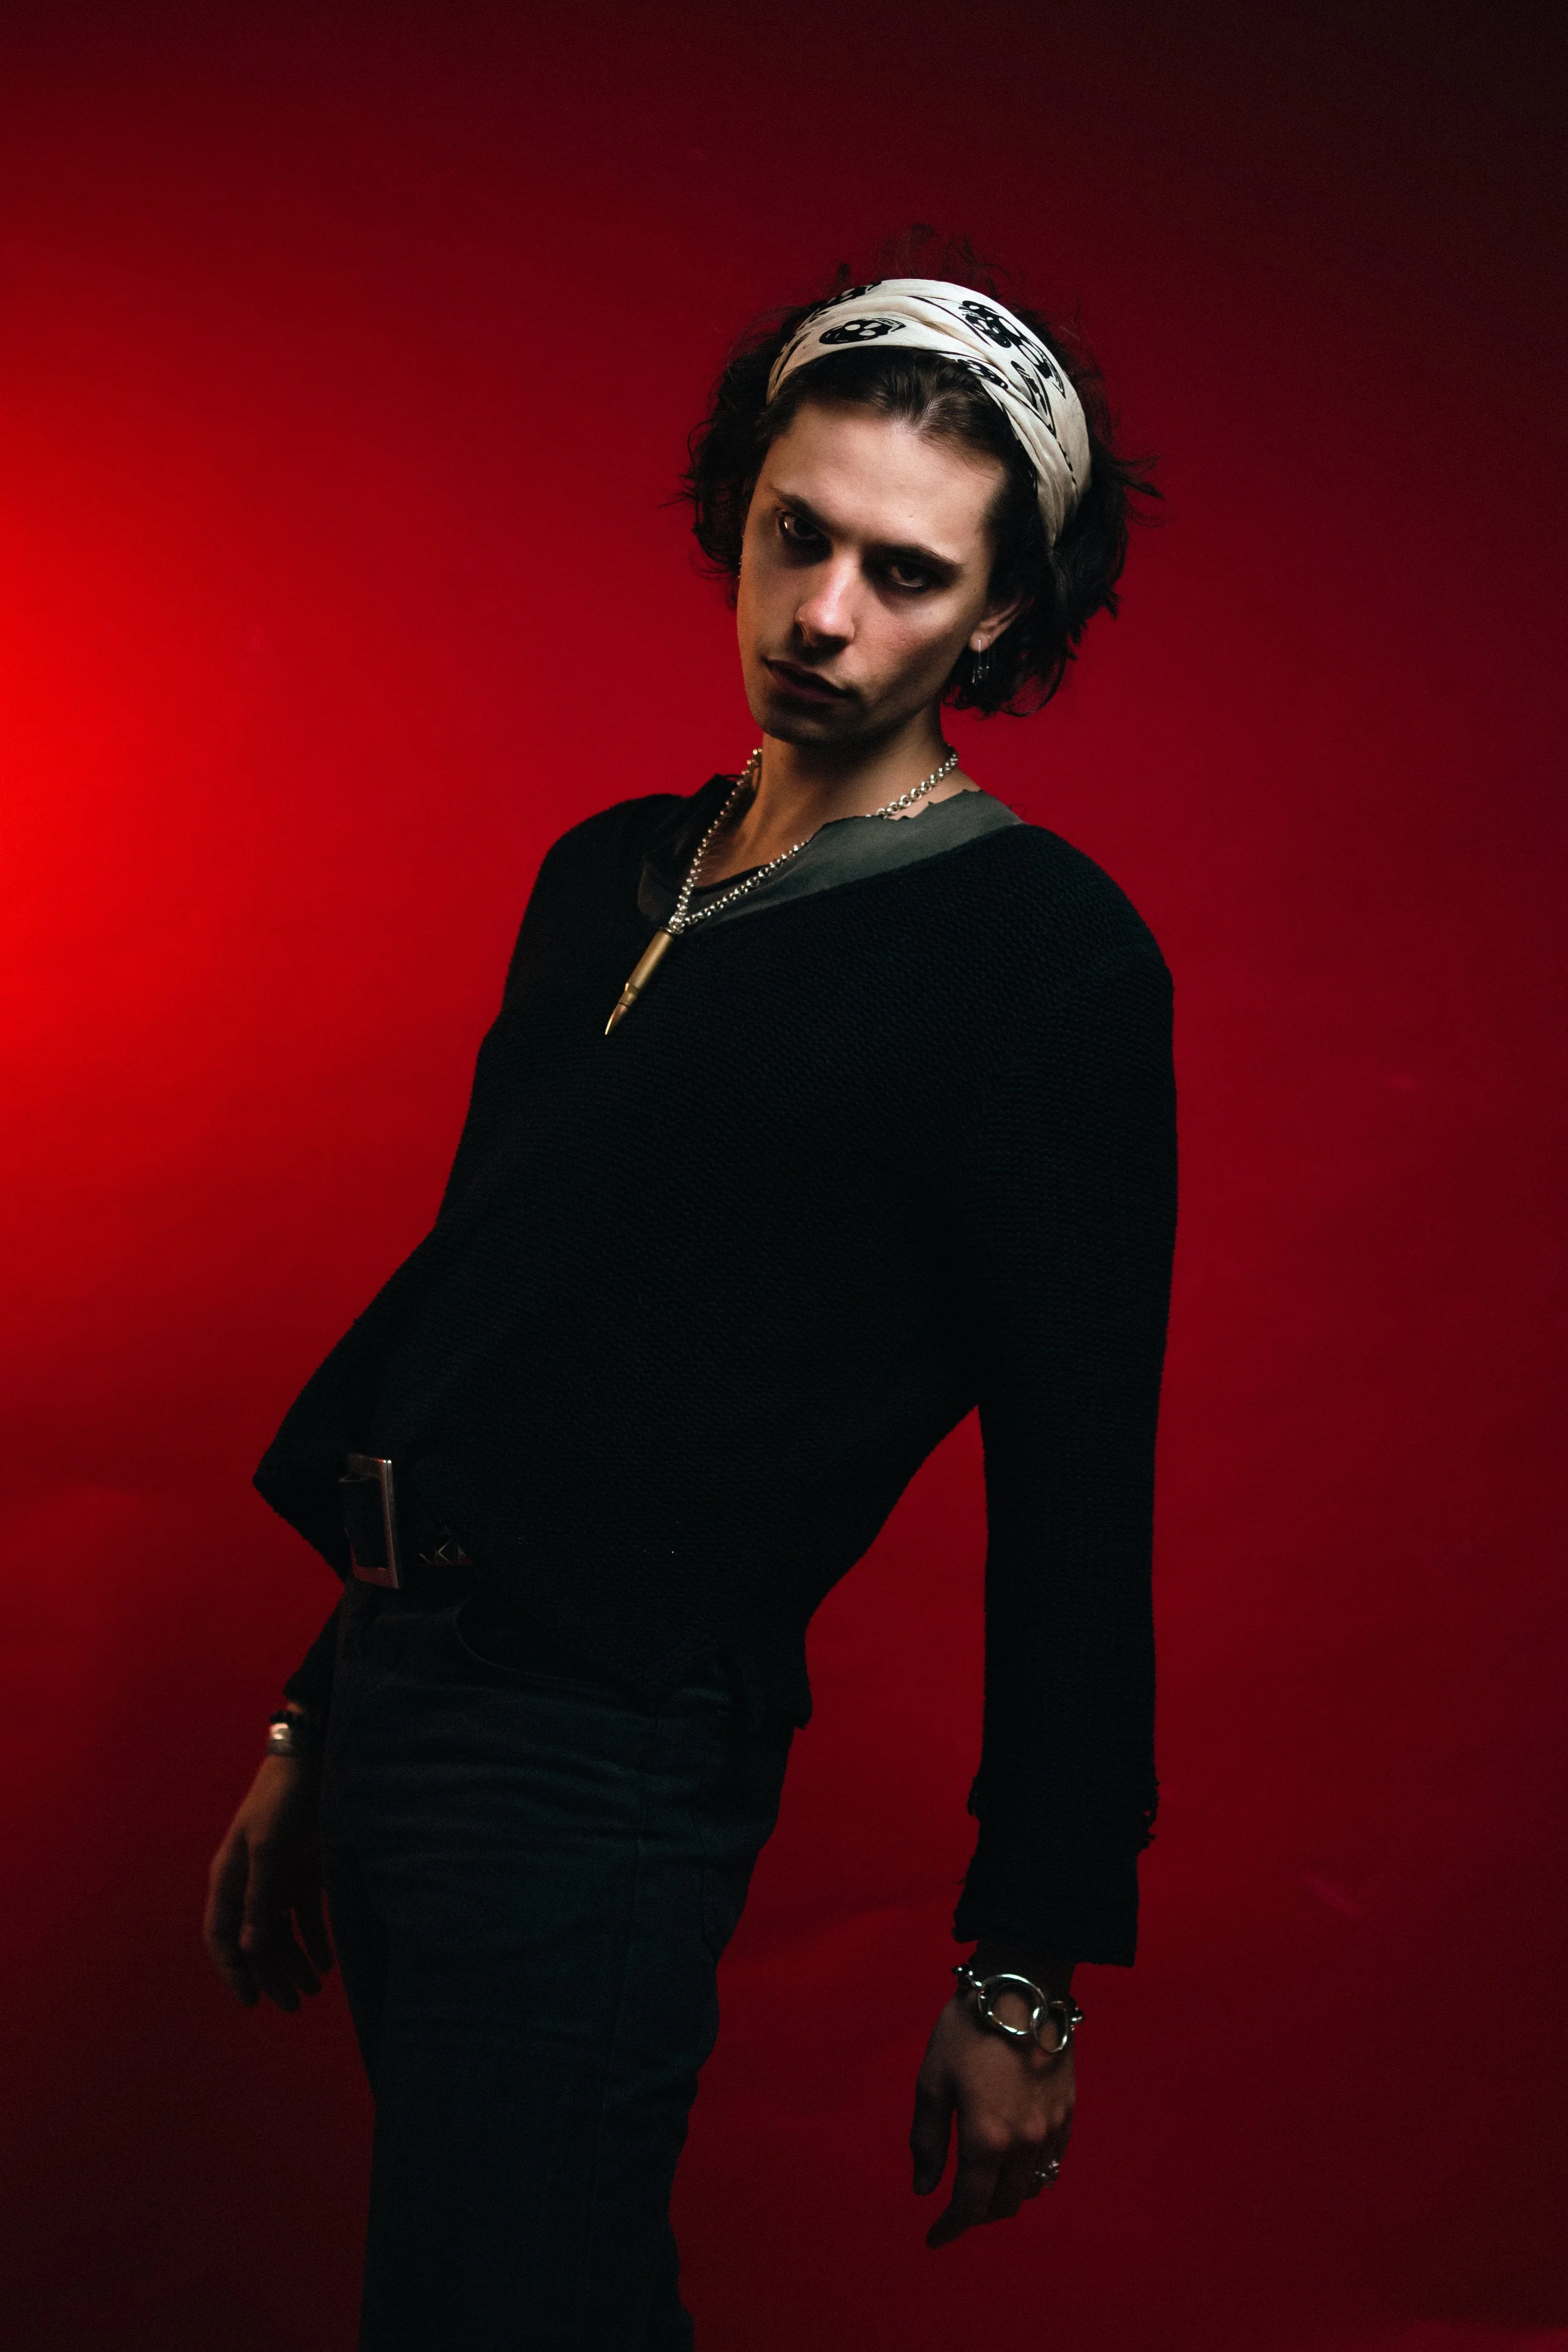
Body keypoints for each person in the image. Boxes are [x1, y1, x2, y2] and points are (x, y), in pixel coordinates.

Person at [204, 253, 1177, 2351]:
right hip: (402, 1704)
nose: (824, 614)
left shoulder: (1044, 963)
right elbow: (483, 1322)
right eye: (793, 535)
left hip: (604, 1752)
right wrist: (313, 1706)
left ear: (999, 611)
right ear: (738, 507)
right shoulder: (605, 873)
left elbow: (1081, 1492)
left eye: (906, 575)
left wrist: (1026, 1960)